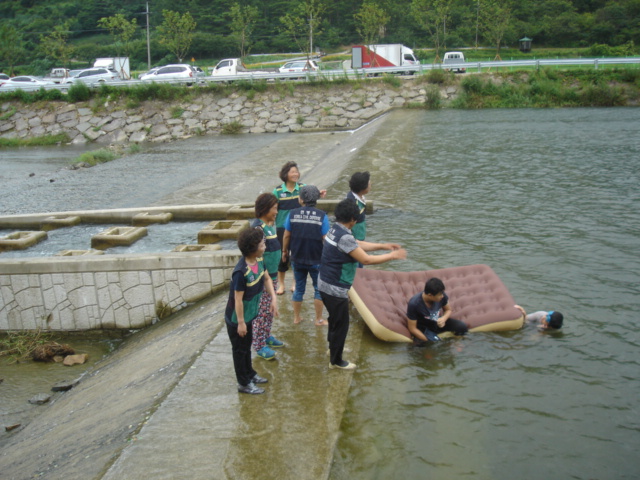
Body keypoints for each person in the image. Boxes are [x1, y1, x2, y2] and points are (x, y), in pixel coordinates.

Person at [318, 199, 407, 370]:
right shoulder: (344, 235)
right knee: (341, 324)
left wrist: (383, 246)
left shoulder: (335, 229)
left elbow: (357, 244)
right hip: (335, 288)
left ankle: (333, 349)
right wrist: (393, 256)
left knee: (335, 320)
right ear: (353, 219)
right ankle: (336, 361)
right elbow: (366, 259)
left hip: (324, 283)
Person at [224, 227, 278, 394]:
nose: (265, 246)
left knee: (247, 347)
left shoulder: (259, 260)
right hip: (237, 318)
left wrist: (273, 298)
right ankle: (243, 383)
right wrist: (240, 323)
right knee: (239, 350)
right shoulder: (241, 272)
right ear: (253, 247)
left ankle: (250, 374)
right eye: (262, 243)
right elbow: (238, 299)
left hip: (249, 315)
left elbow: (267, 278)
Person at [272, 161, 326, 295]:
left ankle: (295, 283)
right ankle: (281, 284)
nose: (296, 174)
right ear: (285, 174)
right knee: (282, 256)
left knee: (296, 253)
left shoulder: (302, 187)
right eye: (292, 172)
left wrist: (319, 194)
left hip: (300, 226)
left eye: (297, 171)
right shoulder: (278, 191)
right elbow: (272, 207)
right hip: (282, 227)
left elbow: (310, 198)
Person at [281, 185, 330, 326]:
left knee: (299, 288)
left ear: (301, 199)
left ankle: (296, 318)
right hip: (317, 258)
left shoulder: (292, 213)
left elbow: (286, 235)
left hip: (297, 257)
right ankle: (318, 319)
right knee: (318, 289)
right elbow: (325, 238)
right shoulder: (322, 215)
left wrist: (284, 252)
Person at [251, 193, 285, 361]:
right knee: (262, 311)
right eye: (274, 209)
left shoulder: (269, 225)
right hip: (263, 279)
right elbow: (256, 256)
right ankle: (258, 344)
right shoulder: (258, 229)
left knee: (270, 309)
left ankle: (266, 335)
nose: (276, 212)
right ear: (264, 209)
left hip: (272, 275)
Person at [406, 277, 468, 344]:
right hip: (424, 327)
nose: (442, 296)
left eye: (442, 293)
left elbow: (448, 310)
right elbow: (412, 329)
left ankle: (457, 343)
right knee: (429, 343)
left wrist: (443, 319)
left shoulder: (442, 296)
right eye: (440, 295)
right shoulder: (414, 304)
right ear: (430, 295)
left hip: (436, 323)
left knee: (462, 327)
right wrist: (427, 340)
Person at [346, 171, 371, 242]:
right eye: (369, 184)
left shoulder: (358, 196)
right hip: (356, 240)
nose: (370, 185)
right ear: (363, 188)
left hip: (360, 237)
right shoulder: (353, 204)